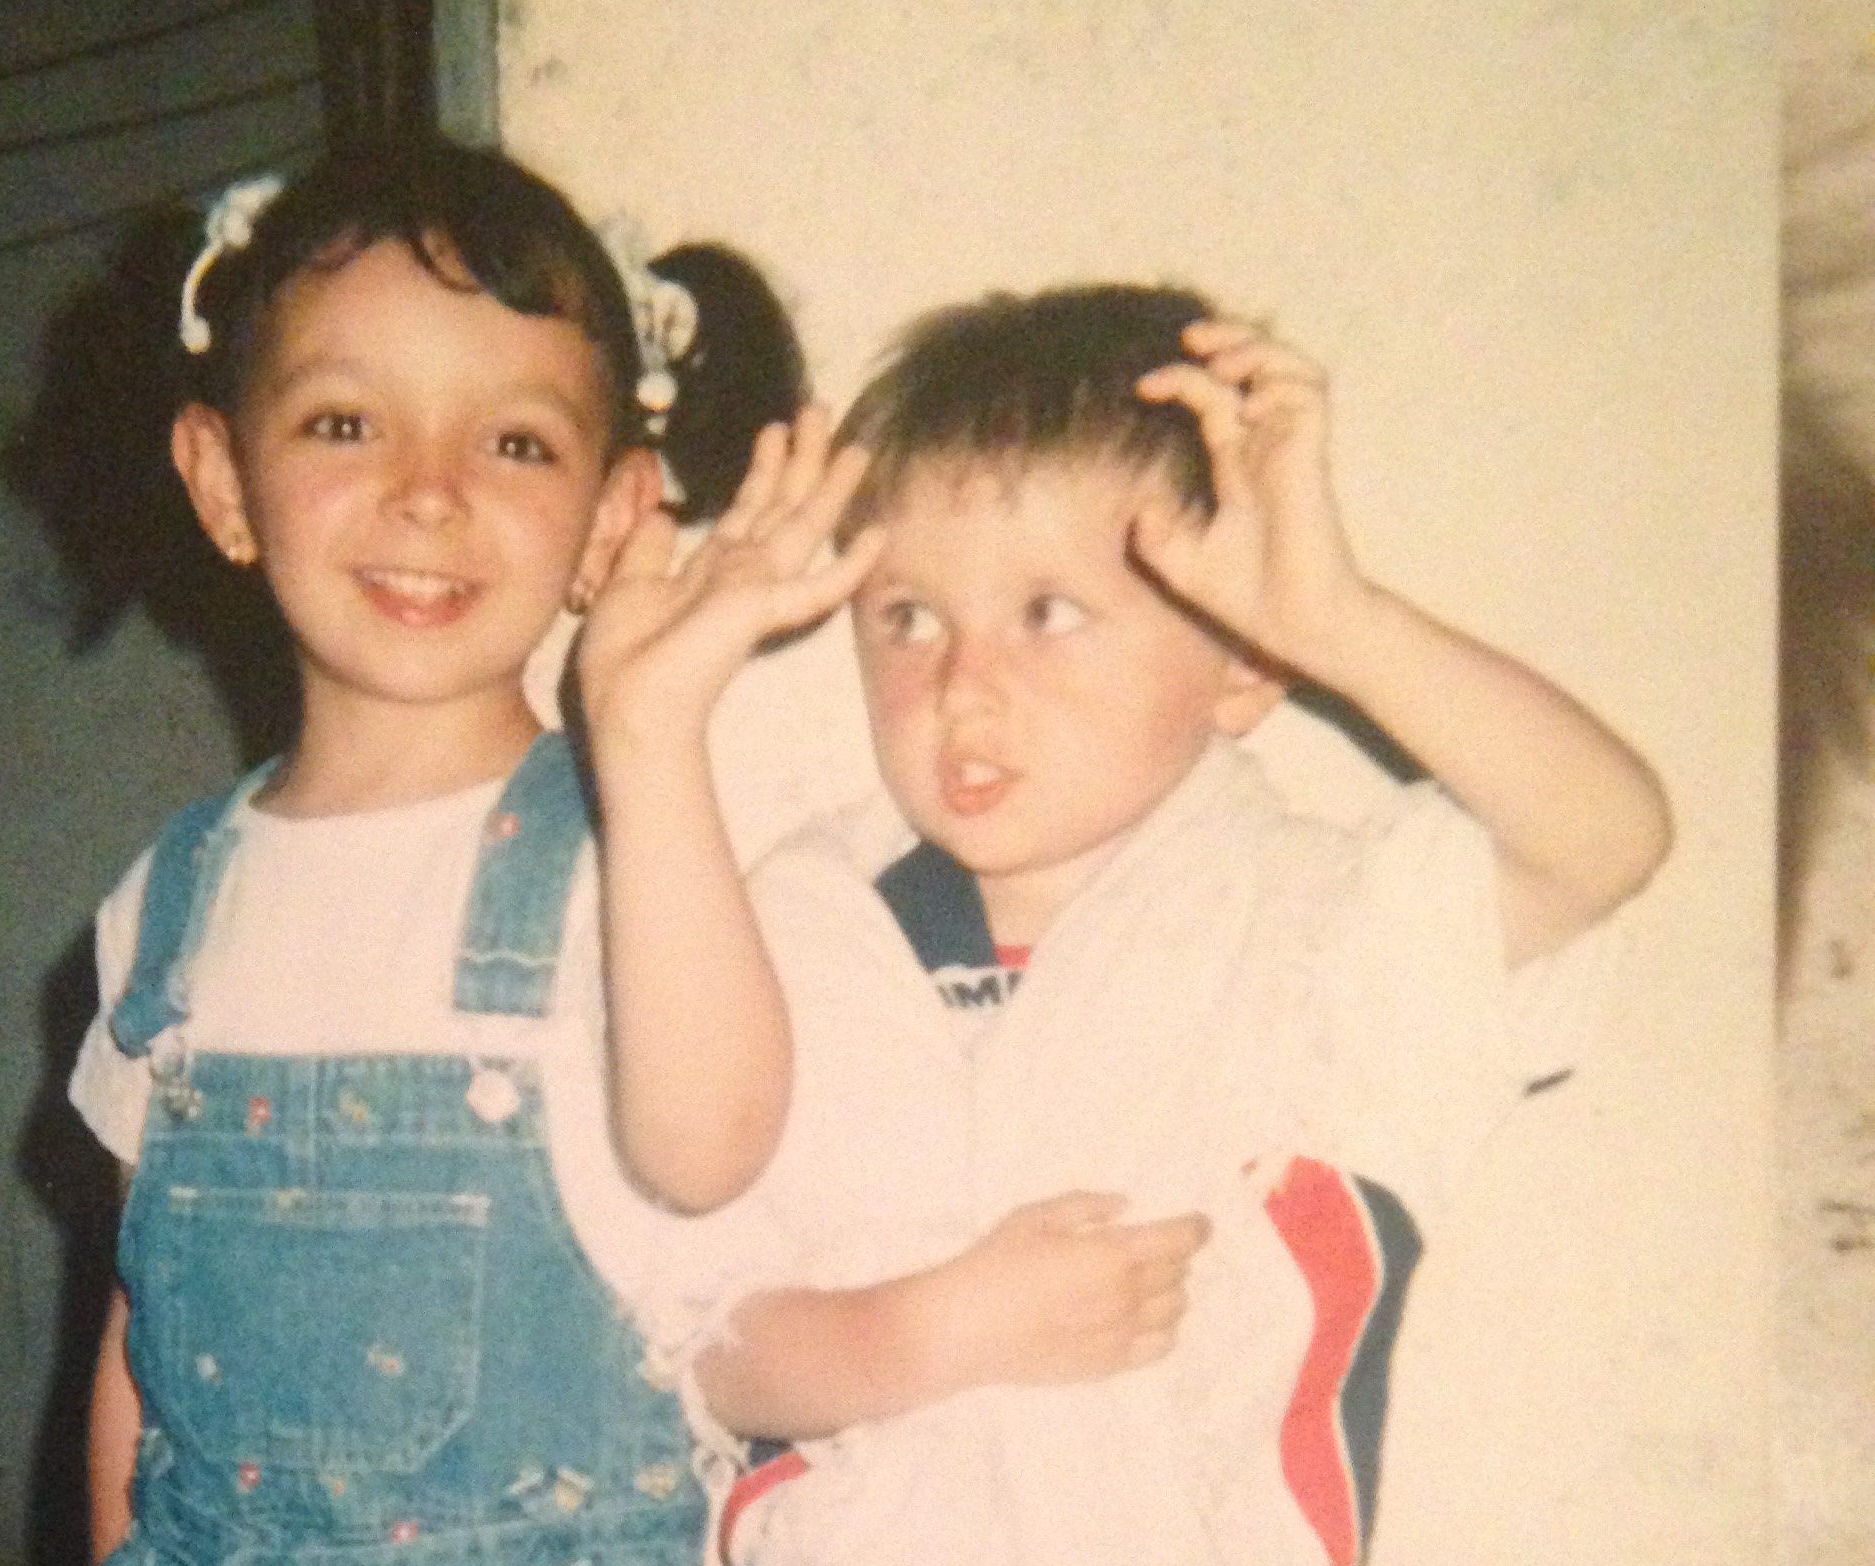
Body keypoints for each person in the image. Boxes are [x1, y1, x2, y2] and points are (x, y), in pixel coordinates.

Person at [675, 285, 1675, 1566]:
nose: (963, 685)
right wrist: (934, 1332)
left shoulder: (1315, 934)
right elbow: (710, 1352)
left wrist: (1344, 627)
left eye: (1049, 612)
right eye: (909, 619)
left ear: (1244, 659)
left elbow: (1607, 839)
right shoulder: (792, 934)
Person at [64, 134, 904, 1566]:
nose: (431, 490)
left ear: (614, 516)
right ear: (219, 477)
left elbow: (706, 1155)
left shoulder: (633, 854)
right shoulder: (170, 902)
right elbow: (143, 1340)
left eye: (514, 441)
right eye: (346, 423)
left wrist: (649, 733)